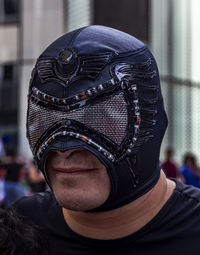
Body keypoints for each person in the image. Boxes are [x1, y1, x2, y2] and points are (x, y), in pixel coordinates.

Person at [12, 25, 200, 254]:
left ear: (149, 122)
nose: (64, 148)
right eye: (48, 119)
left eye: (100, 118)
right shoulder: (18, 229)